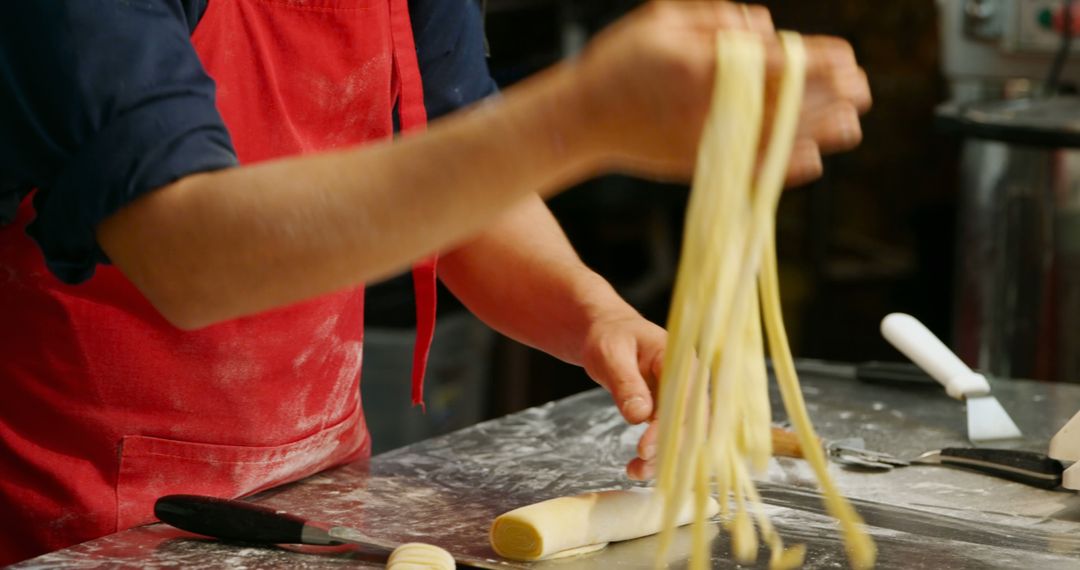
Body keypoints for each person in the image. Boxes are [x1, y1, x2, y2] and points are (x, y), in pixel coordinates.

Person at [0, 0, 870, 564]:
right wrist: (580, 119)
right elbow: (183, 251)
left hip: (314, 497)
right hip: (75, 517)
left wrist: (589, 309)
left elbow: (460, 168)